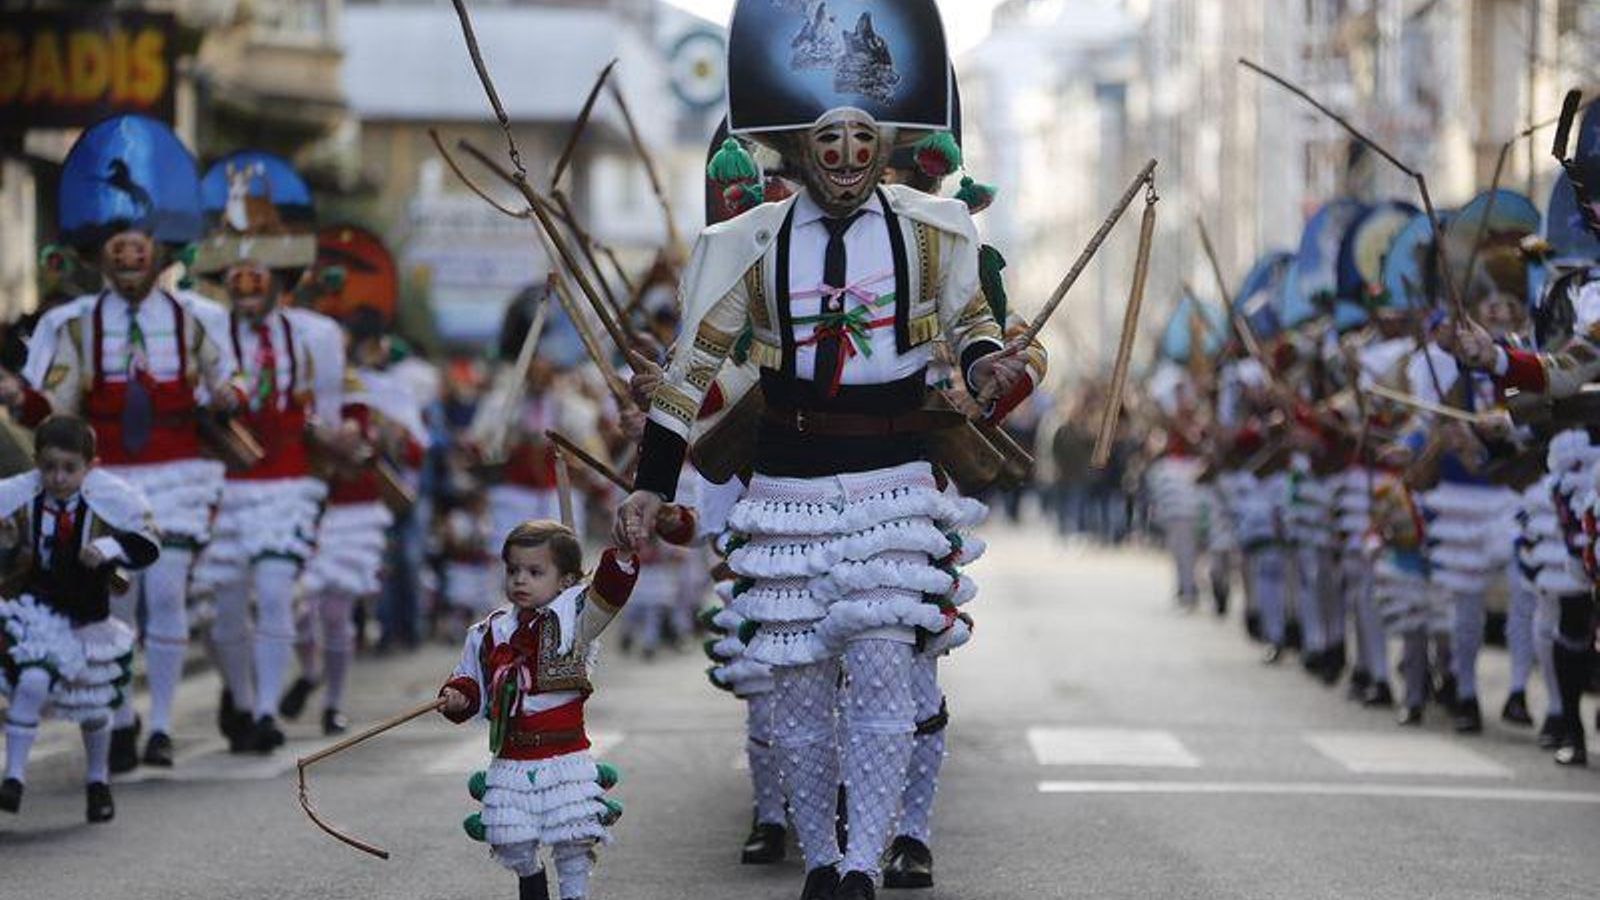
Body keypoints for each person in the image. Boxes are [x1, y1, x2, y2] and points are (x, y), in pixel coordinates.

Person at [615, 4, 1033, 897]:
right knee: (796, 689)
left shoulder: (934, 231)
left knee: (887, 667)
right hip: (786, 483)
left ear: (883, 145)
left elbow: (969, 322)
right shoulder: (744, 243)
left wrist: (988, 362)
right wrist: (652, 484)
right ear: (798, 150)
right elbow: (687, 374)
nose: (843, 159)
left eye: (859, 142)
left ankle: (860, 865)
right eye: (826, 143)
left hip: (892, 479)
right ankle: (819, 857)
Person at [1, 115, 240, 771]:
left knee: (165, 591)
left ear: (159, 252)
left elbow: (232, 380)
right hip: (109, 479)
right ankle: (125, 715)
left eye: (140, 247)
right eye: (118, 247)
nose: (130, 257)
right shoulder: (72, 324)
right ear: (101, 255)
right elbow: (55, 404)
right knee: (120, 597)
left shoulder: (201, 318)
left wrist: (226, 395)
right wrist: (19, 397)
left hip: (179, 472)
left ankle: (161, 723)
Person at [188, 151, 347, 754]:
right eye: (237, 275)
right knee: (222, 607)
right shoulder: (201, 329)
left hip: (284, 479)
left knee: (277, 590)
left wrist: (340, 440)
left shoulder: (315, 337)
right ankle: (240, 692)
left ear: (280, 281)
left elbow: (324, 418)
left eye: (260, 276)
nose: (248, 286)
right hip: (222, 484)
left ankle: (263, 712)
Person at [437, 516, 680, 900]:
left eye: (535, 571)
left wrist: (623, 554)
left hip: (565, 757)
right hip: (512, 759)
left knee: (573, 842)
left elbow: (609, 592)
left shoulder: (576, 621)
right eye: (513, 570)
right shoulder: (488, 632)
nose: (520, 579)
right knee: (510, 838)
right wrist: (457, 697)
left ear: (565, 580)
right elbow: (469, 682)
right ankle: (531, 879)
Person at [0, 415, 159, 821]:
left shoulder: (108, 500)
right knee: (32, 681)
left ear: (90, 466)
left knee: (92, 708)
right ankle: (13, 779)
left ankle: (97, 780)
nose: (57, 478)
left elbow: (148, 544)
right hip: (40, 612)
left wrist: (109, 547)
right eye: (48, 467)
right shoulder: (22, 498)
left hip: (88, 618)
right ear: (36, 462)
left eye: (69, 468)